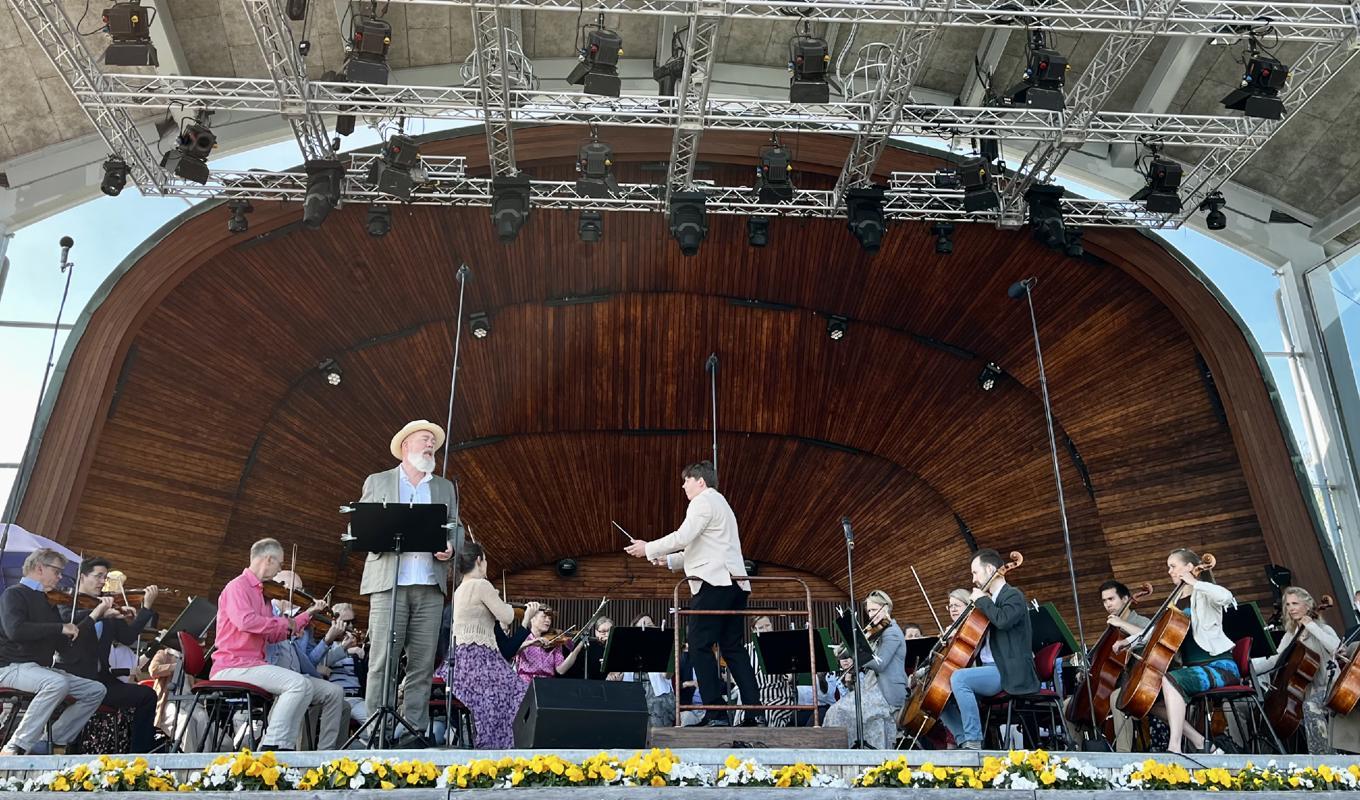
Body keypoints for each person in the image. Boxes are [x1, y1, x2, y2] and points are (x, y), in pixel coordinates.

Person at [624, 460, 759, 727]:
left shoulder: (702, 501)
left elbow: (683, 536)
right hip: (734, 582)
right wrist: (670, 561)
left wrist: (649, 547)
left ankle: (715, 712)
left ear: (700, 481)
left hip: (714, 583)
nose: (683, 485)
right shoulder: (721, 504)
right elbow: (703, 547)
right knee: (732, 647)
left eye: (686, 480)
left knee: (697, 643)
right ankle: (755, 712)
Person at [358, 420, 462, 739]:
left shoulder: (444, 487)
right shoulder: (378, 481)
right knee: (381, 661)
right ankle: (376, 728)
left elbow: (454, 525)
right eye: (424, 439)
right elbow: (363, 523)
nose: (431, 444)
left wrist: (451, 545)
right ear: (406, 446)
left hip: (429, 586)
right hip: (389, 584)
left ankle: (412, 731)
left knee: (422, 663)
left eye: (433, 440)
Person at [1114, 548, 1237, 754]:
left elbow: (1227, 597)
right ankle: (1200, 742)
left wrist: (1194, 582)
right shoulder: (1175, 600)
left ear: (1189, 567)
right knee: (1149, 699)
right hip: (1192, 670)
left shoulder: (1204, 593)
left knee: (1170, 679)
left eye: (1173, 566)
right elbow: (1156, 631)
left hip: (1219, 667)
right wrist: (1128, 641)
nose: (1169, 571)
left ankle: (1175, 748)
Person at [212, 538, 328, 751]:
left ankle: (283, 746)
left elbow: (273, 635)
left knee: (306, 686)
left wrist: (301, 619)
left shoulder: (263, 595)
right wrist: (285, 622)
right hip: (232, 665)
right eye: (280, 564)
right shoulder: (237, 587)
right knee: (298, 684)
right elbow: (245, 622)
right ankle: (273, 746)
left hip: (251, 665)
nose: (280, 570)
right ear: (268, 559)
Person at [0, 548, 111, 756]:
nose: (60, 577)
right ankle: (16, 746)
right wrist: (60, 628)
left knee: (95, 690)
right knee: (56, 683)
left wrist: (94, 617)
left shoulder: (48, 602)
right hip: (10, 667)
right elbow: (15, 630)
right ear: (40, 568)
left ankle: (49, 744)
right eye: (57, 571)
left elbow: (65, 643)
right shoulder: (14, 594)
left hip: (39, 670)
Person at [54, 557, 161, 753]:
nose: (103, 581)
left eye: (105, 577)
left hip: (102, 678)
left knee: (146, 695)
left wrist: (145, 608)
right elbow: (70, 626)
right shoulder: (66, 602)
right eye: (98, 576)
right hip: (73, 675)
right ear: (82, 577)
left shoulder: (106, 604)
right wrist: (99, 612)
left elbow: (127, 637)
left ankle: (140, 754)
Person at [938, 549, 1039, 750]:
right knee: (940, 694)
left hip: (1008, 670)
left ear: (991, 569)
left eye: (975, 572)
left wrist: (982, 600)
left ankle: (974, 740)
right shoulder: (990, 603)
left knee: (959, 678)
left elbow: (1003, 621)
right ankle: (963, 739)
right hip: (991, 670)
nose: (973, 579)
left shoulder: (1013, 595)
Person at [449, 542, 526, 748]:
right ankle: (501, 744)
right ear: (478, 561)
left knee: (502, 694)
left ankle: (492, 741)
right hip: (480, 657)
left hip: (462, 660)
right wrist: (522, 612)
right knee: (520, 692)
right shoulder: (482, 585)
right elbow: (507, 616)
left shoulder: (460, 589)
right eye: (486, 560)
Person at [1250, 586, 1340, 754]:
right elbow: (1274, 660)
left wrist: (1311, 626)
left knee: (1310, 705)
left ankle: (1323, 758)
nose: (1291, 608)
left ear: (1307, 606)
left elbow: (1337, 647)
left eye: (1295, 603)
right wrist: (1246, 665)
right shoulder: (1291, 635)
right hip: (1305, 690)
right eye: (1288, 605)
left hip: (1329, 688)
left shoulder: (1323, 629)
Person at [263, 571, 346, 750]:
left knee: (337, 694)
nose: (302, 595)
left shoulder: (303, 622)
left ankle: (326, 756)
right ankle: (289, 752)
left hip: (298, 675)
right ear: (281, 587)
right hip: (271, 673)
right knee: (300, 690)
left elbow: (308, 660)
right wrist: (289, 627)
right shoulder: (268, 611)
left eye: (302, 590)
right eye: (297, 590)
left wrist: (327, 640)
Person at [825, 590, 907, 748]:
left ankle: (847, 755)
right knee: (834, 711)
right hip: (871, 689)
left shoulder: (892, 633)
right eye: (868, 611)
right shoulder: (877, 632)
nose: (870, 615)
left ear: (886, 607)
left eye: (874, 610)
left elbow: (880, 664)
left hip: (886, 693)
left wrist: (858, 652)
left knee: (838, 712)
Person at [743, 615, 797, 727]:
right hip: (754, 698)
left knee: (768, 712)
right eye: (761, 627)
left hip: (778, 696)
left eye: (768, 625)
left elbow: (790, 675)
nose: (766, 629)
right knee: (743, 714)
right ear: (754, 630)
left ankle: (768, 743)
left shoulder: (781, 647)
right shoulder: (746, 650)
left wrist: (788, 674)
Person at [513, 606, 585, 683]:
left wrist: (576, 650)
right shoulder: (522, 637)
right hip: (525, 683)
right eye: (544, 617)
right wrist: (530, 642)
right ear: (532, 618)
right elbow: (511, 652)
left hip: (547, 684)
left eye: (550, 618)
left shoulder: (554, 641)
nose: (548, 620)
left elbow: (561, 670)